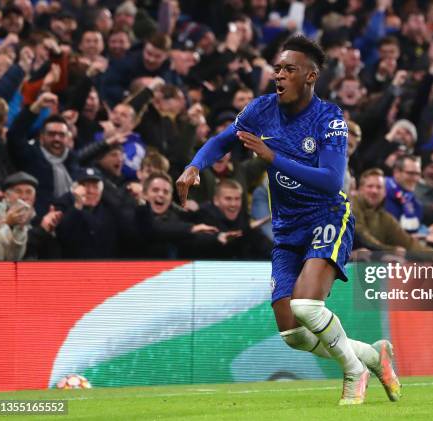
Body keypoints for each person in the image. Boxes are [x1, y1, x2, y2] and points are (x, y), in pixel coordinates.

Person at [176, 35, 400, 405]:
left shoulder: (329, 118)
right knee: (293, 334)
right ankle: (373, 357)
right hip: (287, 227)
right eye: (277, 68)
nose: (278, 74)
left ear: (310, 76)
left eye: (288, 69)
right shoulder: (261, 110)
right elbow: (221, 140)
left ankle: (354, 372)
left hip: (326, 215)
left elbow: (331, 180)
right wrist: (194, 165)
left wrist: (271, 156)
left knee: (307, 307)